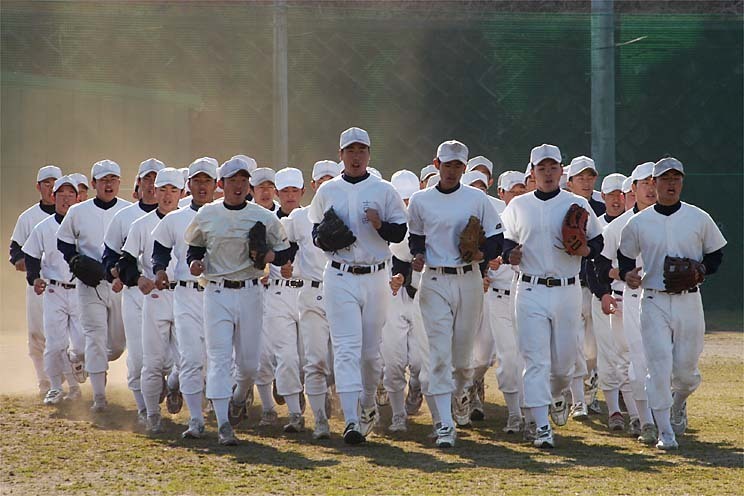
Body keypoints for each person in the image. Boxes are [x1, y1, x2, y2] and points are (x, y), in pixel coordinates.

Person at [308, 127, 407, 444]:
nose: (356, 156)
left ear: (369, 154)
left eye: (361, 150)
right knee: (346, 348)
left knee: (369, 353)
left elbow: (400, 233)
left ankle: (366, 404)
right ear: (340, 155)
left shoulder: (384, 189)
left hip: (376, 275)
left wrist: (381, 225)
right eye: (350, 150)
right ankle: (351, 420)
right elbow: (314, 230)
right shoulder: (328, 190)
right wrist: (322, 237)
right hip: (339, 275)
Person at [500, 144, 603, 449]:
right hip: (529, 288)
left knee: (563, 366)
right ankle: (541, 426)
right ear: (532, 172)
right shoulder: (518, 206)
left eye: (552, 167)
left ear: (561, 171)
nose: (547, 173)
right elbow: (504, 242)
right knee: (535, 361)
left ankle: (557, 395)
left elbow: (597, 244)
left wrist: (585, 250)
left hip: (567, 288)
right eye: (541, 168)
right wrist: (510, 254)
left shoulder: (576, 205)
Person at [618, 157, 726, 450]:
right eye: (665, 179)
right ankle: (665, 432)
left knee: (686, 372)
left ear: (682, 182)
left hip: (689, 300)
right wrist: (628, 274)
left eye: (676, 179)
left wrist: (702, 270)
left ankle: (679, 402)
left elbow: (716, 253)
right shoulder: (638, 222)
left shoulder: (698, 217)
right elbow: (626, 256)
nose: (671, 184)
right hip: (652, 299)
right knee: (658, 366)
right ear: (653, 184)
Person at [185, 157, 292, 446]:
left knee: (249, 364)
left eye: (243, 180)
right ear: (221, 184)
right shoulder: (208, 214)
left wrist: (269, 256)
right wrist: (195, 263)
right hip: (217, 290)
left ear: (249, 185)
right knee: (219, 359)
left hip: (250, 290)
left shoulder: (264, 216)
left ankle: (237, 397)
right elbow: (193, 248)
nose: (238, 185)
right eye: (232, 180)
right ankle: (222, 425)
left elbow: (284, 254)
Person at [408, 140, 503, 448]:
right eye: (446, 165)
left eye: (457, 166)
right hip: (434, 279)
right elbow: (416, 238)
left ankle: (460, 393)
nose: (451, 171)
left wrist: (482, 253)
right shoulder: (421, 200)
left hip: (469, 280)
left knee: (462, 362)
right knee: (438, 357)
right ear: (436, 165)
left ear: (465, 167)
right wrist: (418, 255)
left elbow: (498, 238)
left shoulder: (477, 198)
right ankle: (443, 425)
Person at [57, 159, 132, 412]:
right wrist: (74, 260)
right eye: (103, 180)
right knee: (95, 337)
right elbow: (64, 242)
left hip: (118, 284)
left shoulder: (128, 211)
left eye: (113, 179)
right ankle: (100, 398)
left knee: (118, 346)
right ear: (93, 184)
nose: (108, 183)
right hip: (89, 283)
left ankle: (81, 358)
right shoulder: (78, 211)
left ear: (120, 183)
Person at [151, 157, 218, 439]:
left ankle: (181, 385)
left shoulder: (226, 215)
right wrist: (159, 270)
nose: (202, 186)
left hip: (219, 293)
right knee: (192, 357)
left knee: (215, 359)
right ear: (188, 184)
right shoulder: (175, 218)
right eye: (197, 181)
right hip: (186, 292)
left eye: (207, 181)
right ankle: (196, 419)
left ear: (216, 185)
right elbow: (160, 250)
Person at [592, 161, 658, 444]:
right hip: (625, 298)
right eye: (645, 183)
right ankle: (639, 418)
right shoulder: (617, 226)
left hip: (664, 298)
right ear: (634, 188)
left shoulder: (670, 219)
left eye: (655, 182)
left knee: (664, 360)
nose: (652, 189)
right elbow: (599, 265)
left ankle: (665, 410)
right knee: (629, 360)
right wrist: (608, 288)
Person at [118, 168, 184, 434]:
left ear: (182, 193)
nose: (167, 195)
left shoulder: (192, 221)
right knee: (150, 360)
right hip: (155, 295)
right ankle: (150, 414)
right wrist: (136, 279)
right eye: (163, 189)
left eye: (173, 190)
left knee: (193, 358)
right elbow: (125, 261)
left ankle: (175, 384)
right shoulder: (141, 225)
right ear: (154, 191)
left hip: (185, 294)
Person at [102, 158, 165, 423]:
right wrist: (114, 272)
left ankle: (172, 389)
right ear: (138, 184)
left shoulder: (178, 214)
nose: (151, 185)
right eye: (146, 179)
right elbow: (109, 256)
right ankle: (144, 409)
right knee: (138, 356)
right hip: (135, 294)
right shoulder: (125, 217)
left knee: (174, 356)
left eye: (156, 180)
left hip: (170, 293)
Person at [284, 160, 342, 439]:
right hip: (310, 291)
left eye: (333, 179)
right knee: (315, 359)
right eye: (322, 181)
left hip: (344, 289)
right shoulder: (299, 217)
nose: (327, 185)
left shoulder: (351, 214)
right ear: (314, 186)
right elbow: (286, 247)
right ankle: (320, 419)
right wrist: (281, 261)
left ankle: (356, 415)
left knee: (346, 358)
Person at [22, 175, 84, 404]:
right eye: (61, 194)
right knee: (55, 343)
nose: (66, 198)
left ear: (78, 198)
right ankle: (58, 387)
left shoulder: (82, 224)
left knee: (80, 344)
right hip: (54, 290)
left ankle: (76, 371)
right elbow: (31, 254)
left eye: (70, 194)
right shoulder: (44, 227)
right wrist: (34, 277)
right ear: (53, 196)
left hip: (80, 290)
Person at [256, 167, 307, 433]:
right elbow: (255, 254)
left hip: (306, 292)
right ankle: (295, 414)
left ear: (302, 192)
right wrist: (266, 269)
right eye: (284, 191)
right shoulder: (265, 222)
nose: (289, 196)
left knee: (306, 357)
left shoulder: (312, 219)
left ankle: (295, 387)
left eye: (294, 191)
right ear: (277, 193)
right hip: (276, 293)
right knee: (284, 356)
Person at [380, 169, 428, 433]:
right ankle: (398, 413)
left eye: (410, 201)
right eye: (402, 201)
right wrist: (391, 279)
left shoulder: (427, 221)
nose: (406, 207)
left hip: (421, 296)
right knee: (394, 360)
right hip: (394, 299)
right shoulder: (385, 226)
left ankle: (418, 386)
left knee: (421, 361)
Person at [9, 165, 62, 396]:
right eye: (46, 183)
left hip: (67, 283)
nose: (50, 188)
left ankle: (66, 380)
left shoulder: (73, 214)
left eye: (55, 183)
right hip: (39, 284)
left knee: (66, 335)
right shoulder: (29, 217)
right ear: (38, 187)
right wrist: (25, 264)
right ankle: (44, 381)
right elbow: (15, 251)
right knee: (37, 334)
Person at [586, 173, 633, 432]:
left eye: (620, 194)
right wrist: (603, 292)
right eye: (611, 195)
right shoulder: (599, 227)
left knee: (632, 355)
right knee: (608, 355)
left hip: (634, 298)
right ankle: (614, 410)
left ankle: (637, 411)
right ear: (602, 198)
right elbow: (592, 268)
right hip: (606, 295)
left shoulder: (635, 224)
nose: (616, 199)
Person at [485, 170, 528, 433]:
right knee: (509, 359)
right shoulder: (493, 224)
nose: (519, 195)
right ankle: (514, 412)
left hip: (529, 296)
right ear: (501, 193)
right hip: (500, 298)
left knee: (532, 358)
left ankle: (532, 412)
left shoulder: (533, 221)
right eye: (513, 191)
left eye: (523, 190)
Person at [565, 156, 606, 419]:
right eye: (581, 177)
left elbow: (603, 248)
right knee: (573, 346)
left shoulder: (601, 208)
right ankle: (577, 400)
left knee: (593, 349)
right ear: (569, 181)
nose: (586, 181)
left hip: (594, 287)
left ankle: (589, 390)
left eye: (590, 176)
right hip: (568, 286)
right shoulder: (561, 205)